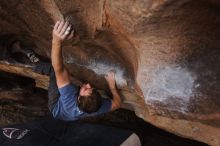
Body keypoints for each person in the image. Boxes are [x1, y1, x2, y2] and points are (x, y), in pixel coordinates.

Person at [34, 20, 122, 121]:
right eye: (92, 89)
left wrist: (56, 40)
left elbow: (59, 69)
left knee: (53, 70)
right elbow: (118, 103)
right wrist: (112, 87)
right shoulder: (95, 107)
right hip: (68, 115)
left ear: (78, 98)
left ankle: (32, 63)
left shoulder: (69, 97)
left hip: (56, 108)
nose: (88, 84)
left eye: (86, 89)